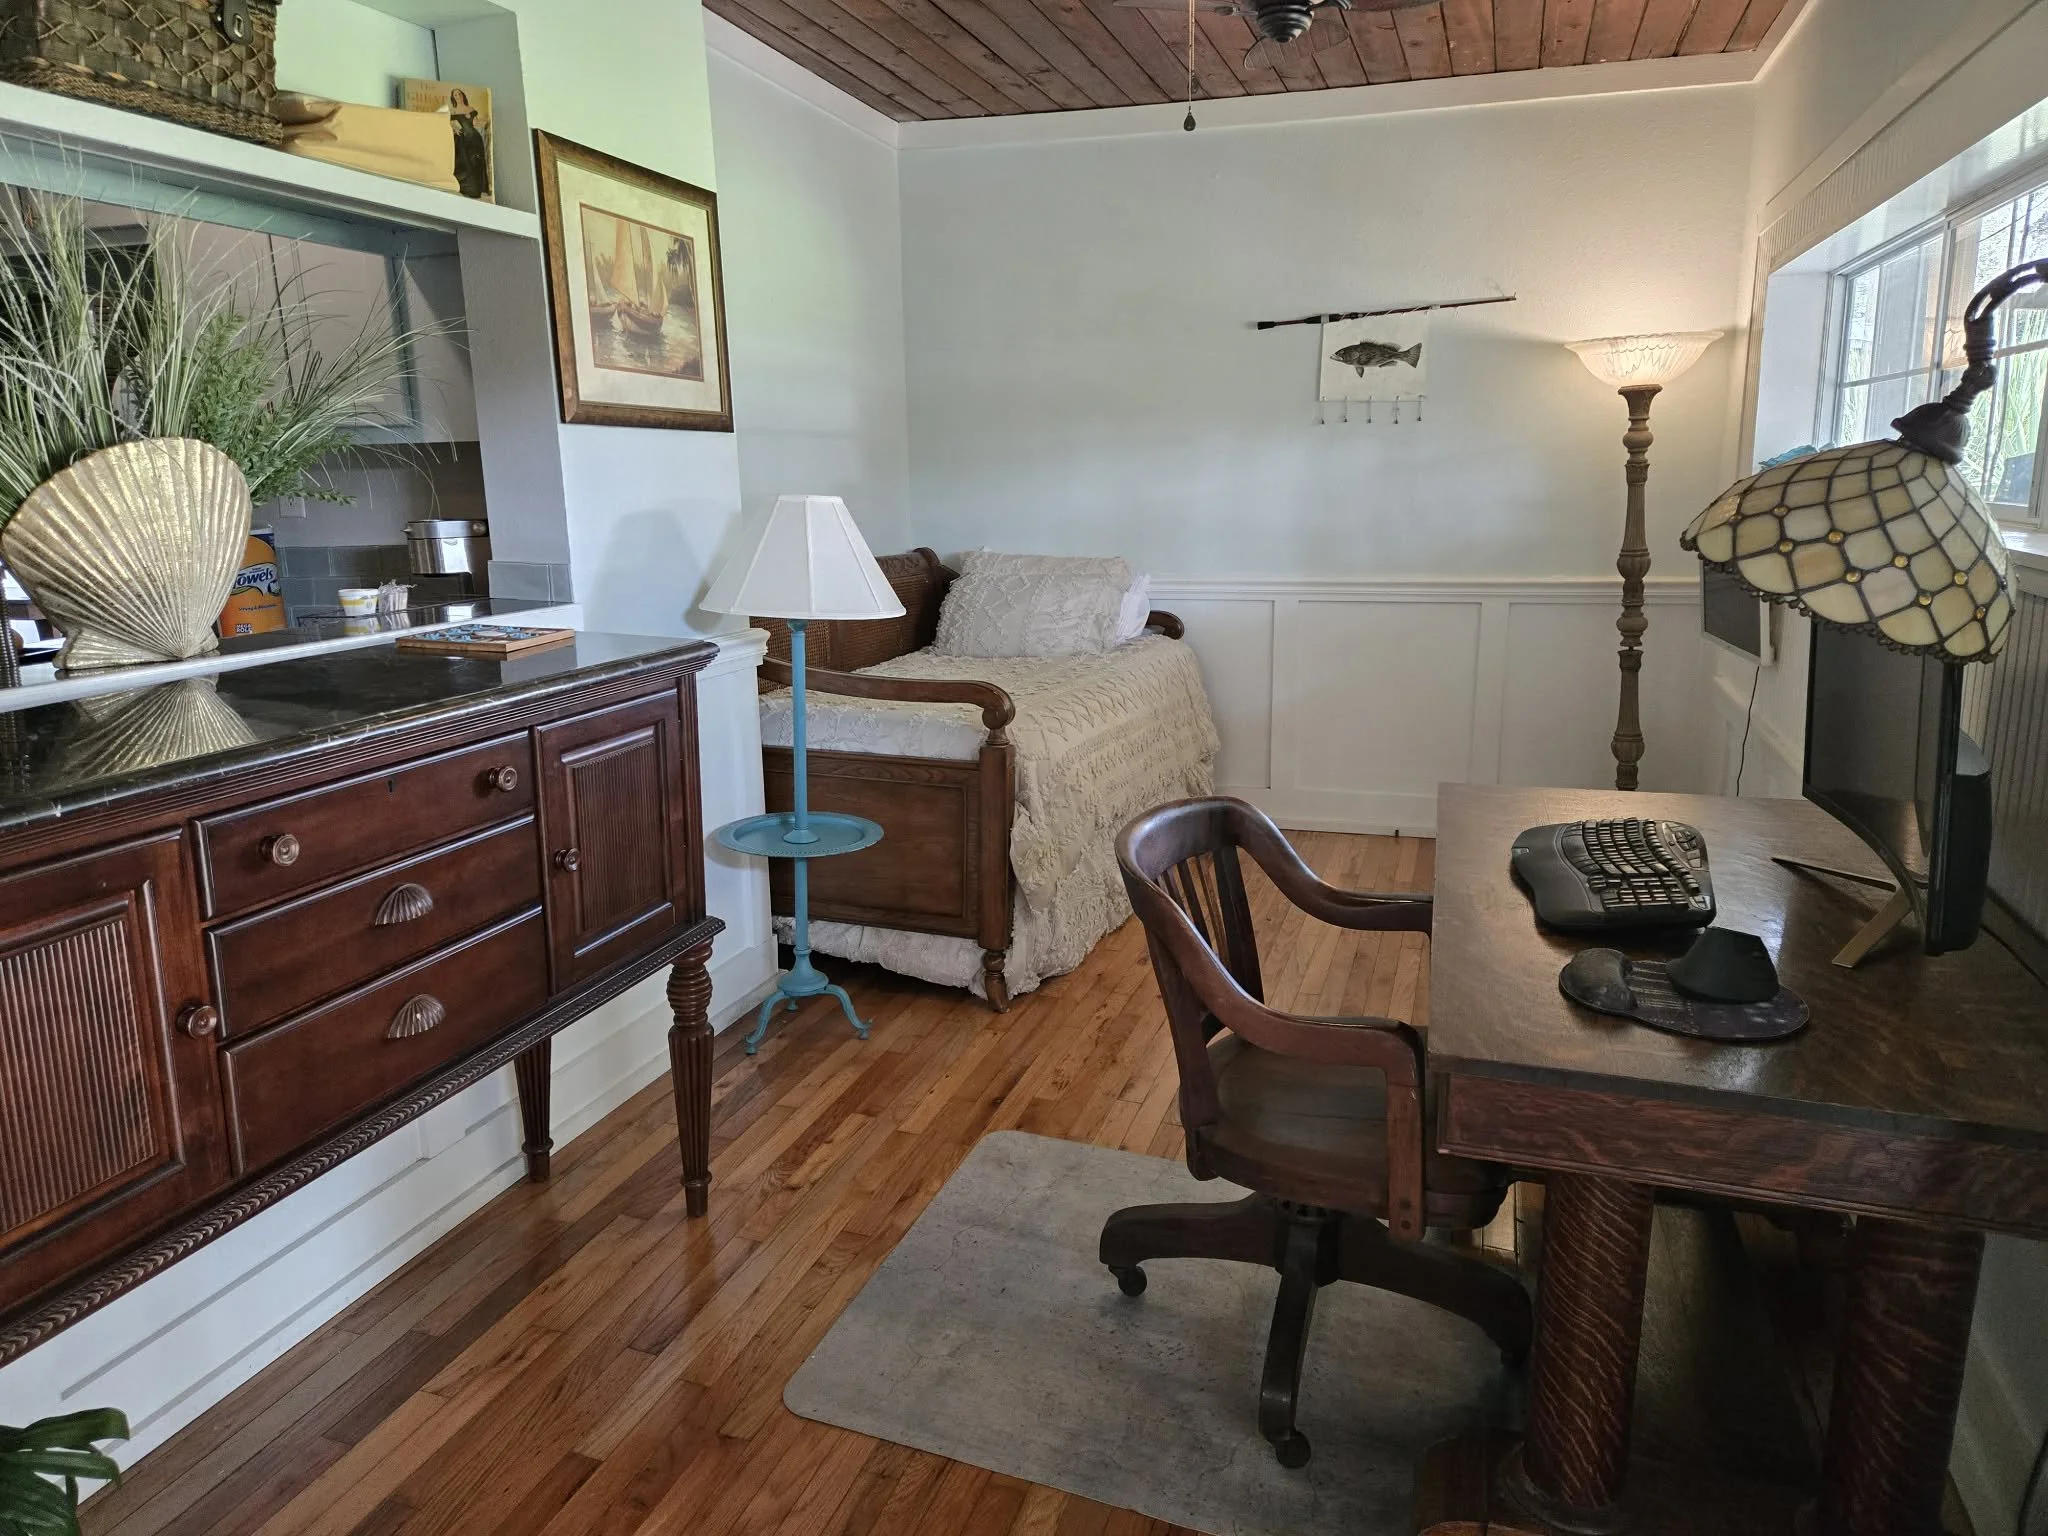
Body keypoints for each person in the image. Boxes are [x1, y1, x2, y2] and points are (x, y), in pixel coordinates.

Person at [448, 88, 489, 200]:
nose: (458, 96)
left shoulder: (470, 109)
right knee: (466, 164)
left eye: (459, 94)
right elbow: (448, 123)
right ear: (453, 98)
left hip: (475, 139)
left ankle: (481, 189)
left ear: (463, 95)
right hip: (462, 140)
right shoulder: (453, 111)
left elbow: (476, 123)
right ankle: (469, 190)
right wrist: (454, 129)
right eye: (455, 95)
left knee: (477, 162)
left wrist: (487, 121)